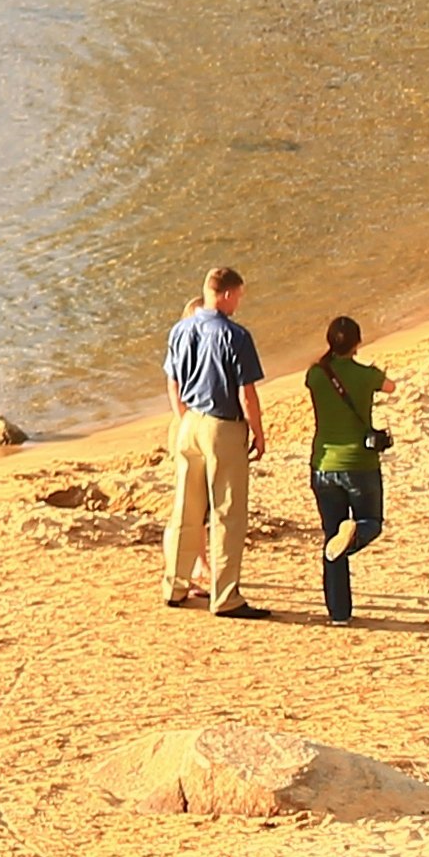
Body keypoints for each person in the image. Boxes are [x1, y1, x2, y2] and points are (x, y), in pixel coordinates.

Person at [163, 264, 271, 619]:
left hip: (190, 420)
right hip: (222, 424)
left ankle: (175, 584)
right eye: (238, 295)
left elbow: (173, 381)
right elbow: (246, 392)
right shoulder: (235, 335)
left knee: (186, 508)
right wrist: (257, 429)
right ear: (225, 294)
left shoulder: (181, 329)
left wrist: (182, 420)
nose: (238, 302)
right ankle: (225, 596)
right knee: (227, 511)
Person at [306, 313, 394, 627]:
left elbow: (318, 368)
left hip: (323, 465)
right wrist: (365, 364)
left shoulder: (316, 375)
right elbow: (391, 387)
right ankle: (355, 536)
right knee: (371, 522)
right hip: (359, 463)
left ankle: (339, 614)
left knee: (332, 538)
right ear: (357, 343)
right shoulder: (366, 375)